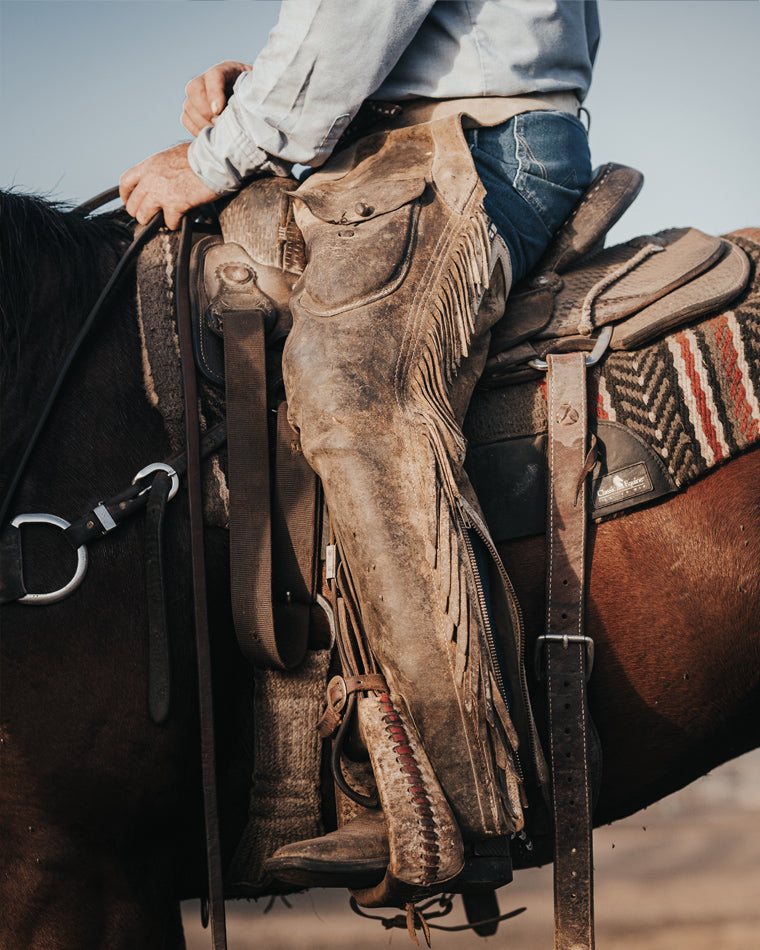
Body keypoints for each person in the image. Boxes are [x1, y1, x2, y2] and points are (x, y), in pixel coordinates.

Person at [120, 0, 599, 902]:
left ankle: (463, 795)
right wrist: (261, 94)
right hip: (382, 147)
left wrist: (216, 155)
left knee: (350, 392)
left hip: (472, 150)